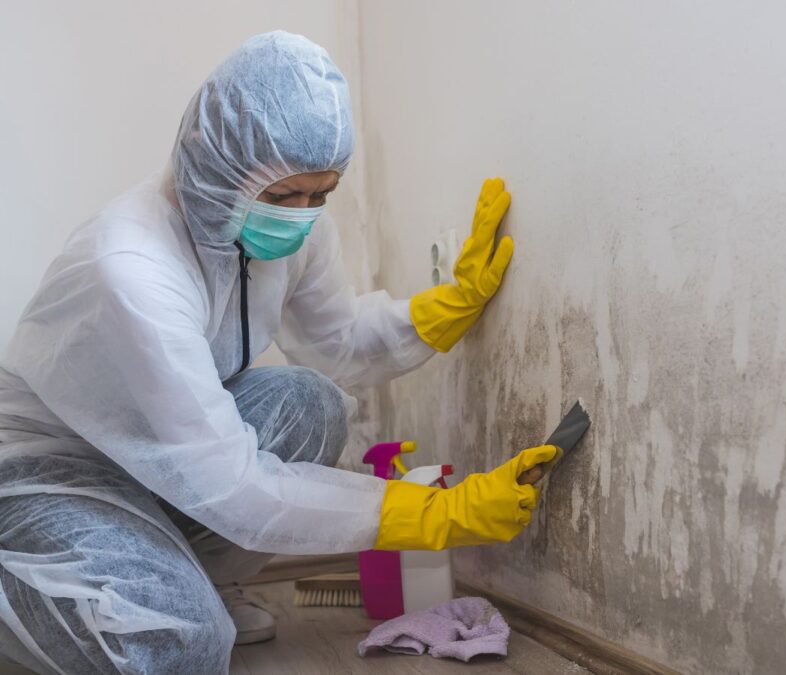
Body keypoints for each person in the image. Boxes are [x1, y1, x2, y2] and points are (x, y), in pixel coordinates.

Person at [0, 31, 555, 674]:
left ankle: (190, 579)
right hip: (54, 469)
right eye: (285, 196)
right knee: (180, 642)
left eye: (322, 194)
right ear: (217, 166)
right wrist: (438, 513)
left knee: (309, 403)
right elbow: (231, 485)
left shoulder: (292, 224)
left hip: (161, 457)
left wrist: (448, 307)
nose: (303, 215)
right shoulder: (131, 266)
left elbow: (337, 342)